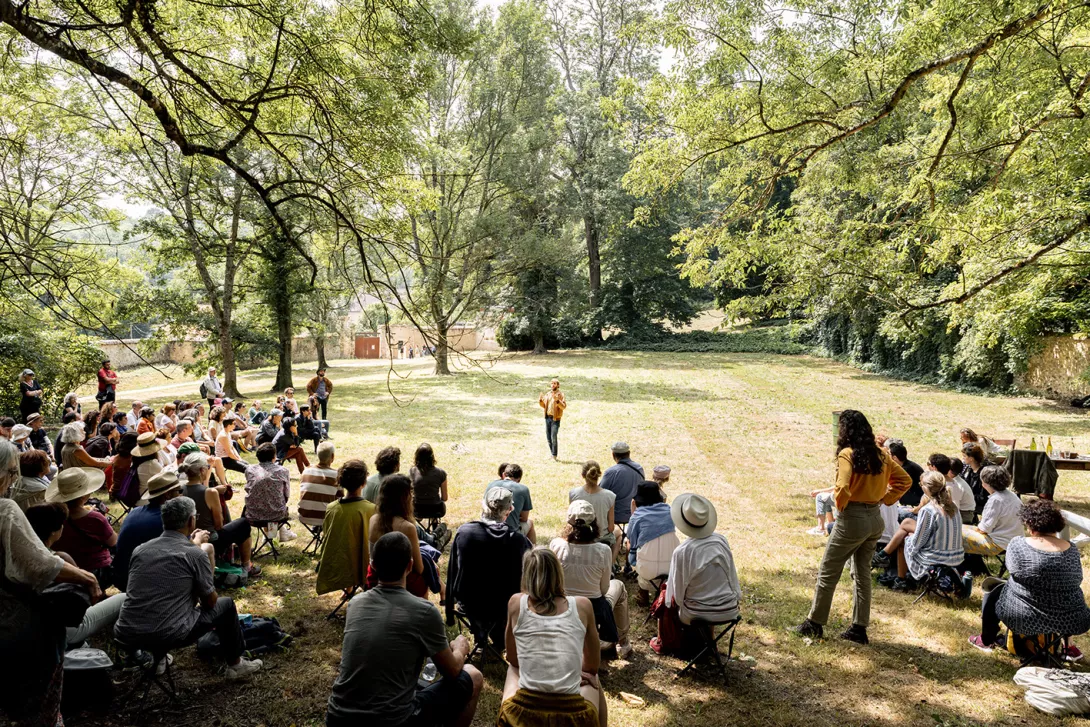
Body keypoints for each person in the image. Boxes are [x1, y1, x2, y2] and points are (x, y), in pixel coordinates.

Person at [326, 531, 483, 727]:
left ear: (372, 565)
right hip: (393, 721)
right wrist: (460, 648)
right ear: (409, 566)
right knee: (473, 675)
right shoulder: (424, 612)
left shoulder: (355, 604)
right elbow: (451, 671)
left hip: (337, 718)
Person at [0, 439, 102, 727]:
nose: (12, 480)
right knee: (41, 692)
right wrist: (87, 576)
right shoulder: (5, 509)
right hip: (17, 622)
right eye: (10, 473)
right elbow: (40, 564)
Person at [795, 410, 912, 644]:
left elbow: (842, 486)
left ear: (845, 430)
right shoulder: (881, 454)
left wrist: (842, 507)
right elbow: (905, 480)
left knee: (828, 571)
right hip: (874, 519)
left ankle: (814, 623)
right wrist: (884, 498)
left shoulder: (847, 454)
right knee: (862, 574)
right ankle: (859, 628)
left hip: (853, 518)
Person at [114, 496, 263, 679]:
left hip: (127, 633)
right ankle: (236, 665)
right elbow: (210, 602)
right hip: (169, 633)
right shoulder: (194, 554)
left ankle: (158, 658)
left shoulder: (140, 550)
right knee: (226, 605)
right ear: (191, 521)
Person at [969, 499, 1090, 657]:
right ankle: (1068, 647)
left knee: (994, 592)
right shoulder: (1072, 550)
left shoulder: (1018, 544)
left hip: (1023, 618)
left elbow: (1013, 571)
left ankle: (986, 640)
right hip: (1073, 619)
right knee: (1063, 593)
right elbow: (1077, 578)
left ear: (1030, 524)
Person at [498, 548, 603, 727]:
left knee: (512, 669)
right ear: (558, 573)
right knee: (595, 681)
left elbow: (513, 658)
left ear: (526, 575)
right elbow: (592, 666)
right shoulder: (583, 605)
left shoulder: (516, 603)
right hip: (574, 715)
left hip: (522, 713)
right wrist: (574, 671)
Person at [25, 501, 129, 650]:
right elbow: (86, 596)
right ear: (55, 531)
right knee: (125, 597)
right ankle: (134, 653)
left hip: (30, 626)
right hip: (64, 629)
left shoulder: (21, 555)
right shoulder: (60, 559)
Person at [652, 494, 740, 656]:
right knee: (710, 587)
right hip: (729, 609)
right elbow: (733, 579)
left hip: (695, 613)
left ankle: (663, 641)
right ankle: (709, 642)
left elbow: (676, 598)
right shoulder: (722, 541)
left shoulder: (682, 551)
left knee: (665, 595)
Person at [445, 487, 532, 645]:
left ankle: (483, 636)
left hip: (471, 604)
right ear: (509, 510)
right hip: (505, 605)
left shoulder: (464, 533)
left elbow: (452, 573)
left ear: (483, 505)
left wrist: (449, 611)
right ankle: (497, 638)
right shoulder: (518, 541)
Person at [550, 500, 632, 658]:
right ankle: (623, 643)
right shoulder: (603, 551)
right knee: (619, 587)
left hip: (561, 603)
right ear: (594, 522)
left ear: (569, 523)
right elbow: (603, 589)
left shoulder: (556, 545)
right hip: (592, 606)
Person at [874, 472, 965, 591]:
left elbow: (918, 542)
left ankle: (900, 579)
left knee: (903, 540)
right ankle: (883, 555)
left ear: (925, 488)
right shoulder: (952, 505)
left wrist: (910, 537)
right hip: (955, 555)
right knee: (907, 522)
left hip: (936, 557)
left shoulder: (929, 510)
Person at [181, 452, 261, 577]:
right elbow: (218, 525)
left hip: (188, 540)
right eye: (208, 467)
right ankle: (247, 565)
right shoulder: (210, 492)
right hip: (211, 540)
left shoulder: (180, 490)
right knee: (243, 524)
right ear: (202, 470)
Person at [113, 470, 191, 590]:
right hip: (144, 584)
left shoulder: (134, 512)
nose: (181, 495)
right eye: (179, 491)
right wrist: (198, 539)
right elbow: (188, 552)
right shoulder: (170, 519)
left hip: (122, 578)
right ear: (168, 495)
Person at [46, 467, 115, 589]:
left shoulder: (51, 517)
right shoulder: (96, 518)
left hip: (66, 572)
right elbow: (113, 541)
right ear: (85, 496)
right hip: (96, 570)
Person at [316, 459, 374, 596]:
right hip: (362, 566)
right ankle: (352, 589)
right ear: (364, 483)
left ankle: (349, 589)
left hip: (338, 565)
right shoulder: (370, 509)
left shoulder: (332, 508)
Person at [367, 474, 430, 597]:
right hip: (400, 581)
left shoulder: (373, 519)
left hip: (375, 576)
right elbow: (419, 568)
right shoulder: (407, 527)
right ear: (405, 498)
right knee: (427, 569)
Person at [627, 481, 679, 607]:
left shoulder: (637, 516)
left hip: (647, 569)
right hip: (672, 566)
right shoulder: (671, 512)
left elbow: (632, 542)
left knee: (632, 547)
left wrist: (633, 512)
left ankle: (643, 592)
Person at [963, 466, 1023, 556]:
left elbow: (984, 529)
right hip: (1014, 540)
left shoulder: (996, 500)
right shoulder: (1012, 495)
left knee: (952, 533)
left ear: (985, 483)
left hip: (999, 544)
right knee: (958, 527)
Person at [244, 443, 295, 541]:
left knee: (265, 499)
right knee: (274, 502)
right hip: (276, 514)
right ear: (274, 457)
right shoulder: (283, 471)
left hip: (253, 514)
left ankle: (271, 536)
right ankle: (272, 535)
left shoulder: (249, 470)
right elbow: (287, 494)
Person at [569, 460, 618, 558]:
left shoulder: (573, 494)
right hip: (601, 538)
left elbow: (571, 521)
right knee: (618, 533)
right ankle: (611, 564)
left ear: (583, 475)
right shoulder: (610, 496)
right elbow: (611, 527)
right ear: (599, 475)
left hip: (580, 536)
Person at [485, 463, 535, 544]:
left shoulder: (491, 485)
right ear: (519, 480)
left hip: (487, 529)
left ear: (504, 474)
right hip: (511, 534)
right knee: (530, 523)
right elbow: (524, 518)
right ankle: (533, 554)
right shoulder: (523, 489)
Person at [300, 441, 342, 534]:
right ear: (332, 456)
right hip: (326, 517)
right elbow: (340, 500)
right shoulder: (336, 475)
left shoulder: (306, 471)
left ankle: (317, 526)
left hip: (304, 515)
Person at [599, 442, 643, 527]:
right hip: (634, 512)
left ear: (613, 455)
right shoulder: (639, 469)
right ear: (629, 454)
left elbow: (600, 492)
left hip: (615, 515)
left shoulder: (611, 472)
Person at [410, 442, 448, 521]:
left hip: (417, 510)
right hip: (436, 510)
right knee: (438, 505)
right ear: (432, 457)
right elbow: (444, 498)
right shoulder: (441, 473)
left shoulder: (412, 472)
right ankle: (434, 524)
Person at [886, 439, 925, 510]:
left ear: (894, 458)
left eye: (888, 454)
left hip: (912, 505)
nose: (886, 455)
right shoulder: (909, 465)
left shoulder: (904, 471)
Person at [538, 378, 566, 460]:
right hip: (547, 418)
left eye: (554, 383)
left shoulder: (560, 395)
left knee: (553, 436)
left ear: (558, 385)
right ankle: (552, 454)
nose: (552, 385)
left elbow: (563, 407)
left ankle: (554, 455)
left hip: (555, 419)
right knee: (548, 437)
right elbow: (544, 406)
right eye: (552, 383)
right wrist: (540, 401)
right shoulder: (548, 394)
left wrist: (557, 401)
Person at [961, 443, 987, 515]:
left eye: (964, 456)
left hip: (978, 505)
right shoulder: (968, 470)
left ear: (971, 459)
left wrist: (966, 495)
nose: (962, 458)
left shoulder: (983, 474)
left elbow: (983, 498)